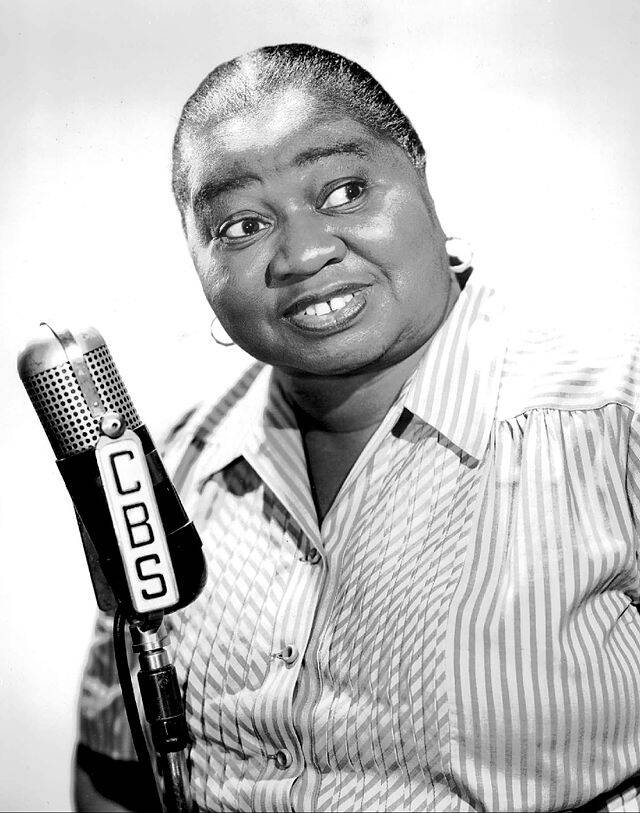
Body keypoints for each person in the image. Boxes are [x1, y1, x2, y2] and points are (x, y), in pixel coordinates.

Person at [74, 43, 640, 812]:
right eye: (240, 225)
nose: (303, 253)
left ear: (419, 172)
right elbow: (114, 771)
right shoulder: (168, 464)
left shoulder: (612, 424)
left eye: (344, 190)